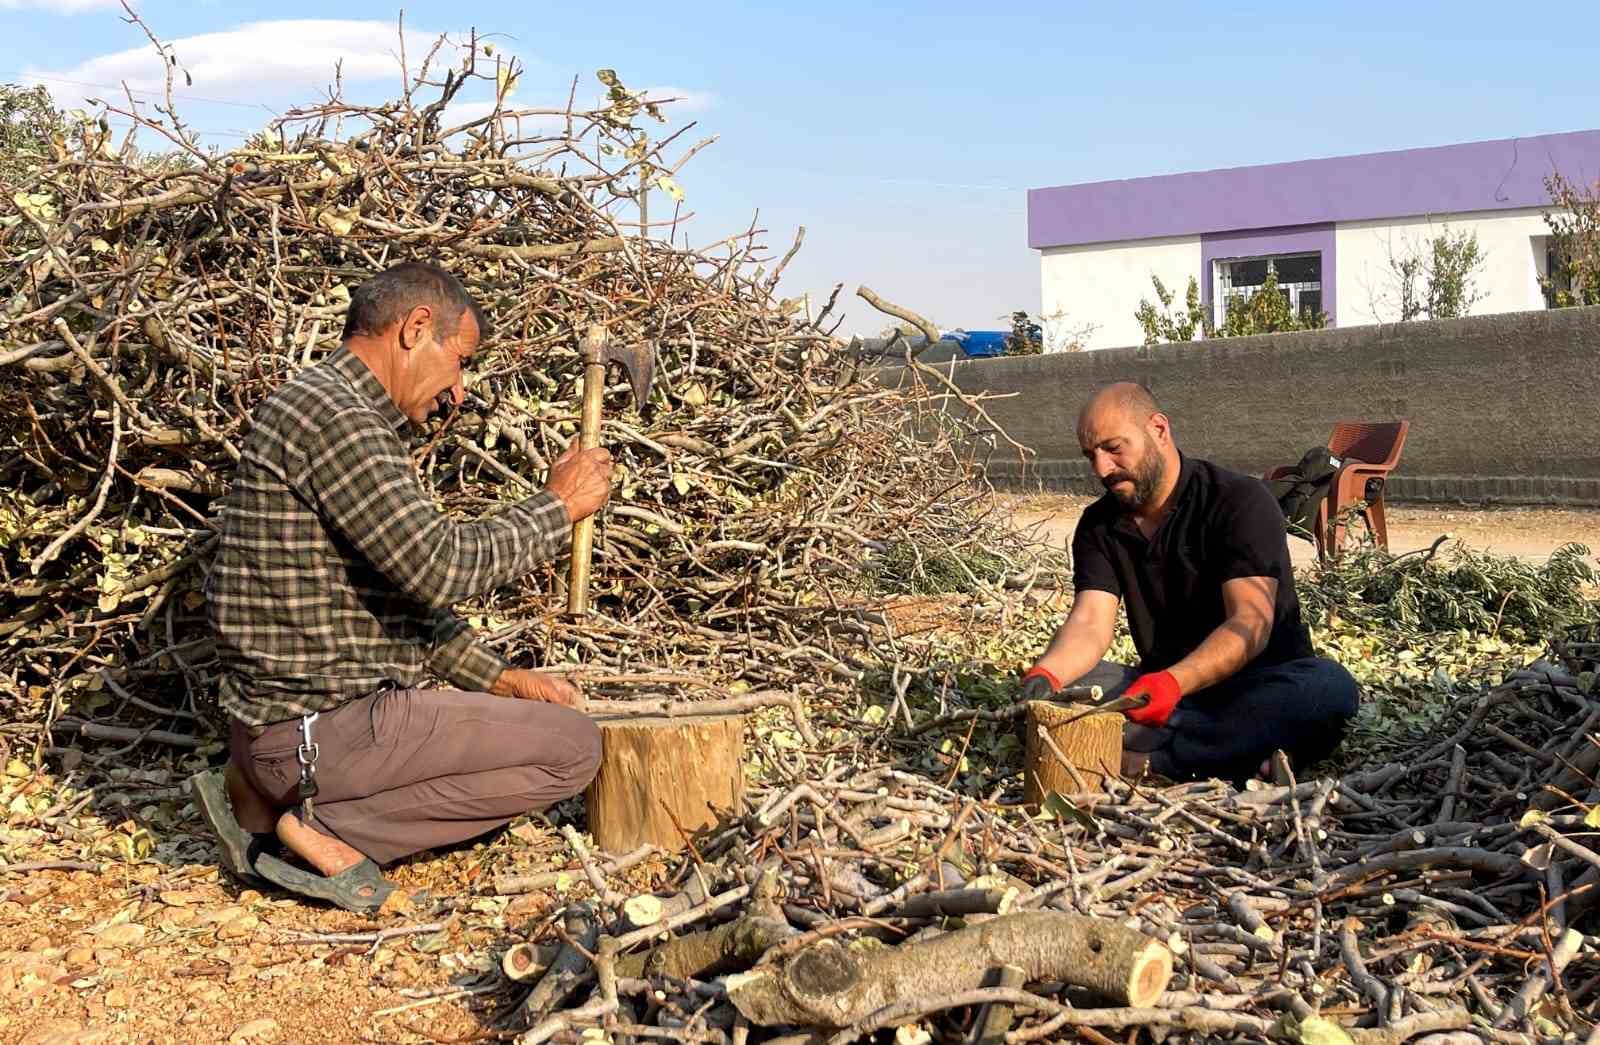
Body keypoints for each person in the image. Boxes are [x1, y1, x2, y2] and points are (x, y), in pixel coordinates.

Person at [190, 261, 609, 913]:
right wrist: (559, 505)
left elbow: (399, 596)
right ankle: (307, 829)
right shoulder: (340, 419)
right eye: (461, 360)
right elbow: (441, 566)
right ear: (417, 328)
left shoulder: (326, 404)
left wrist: (501, 678)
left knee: (542, 725)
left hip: (280, 732)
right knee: (574, 748)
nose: (460, 391)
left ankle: (262, 790)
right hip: (315, 733)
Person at [1020, 382, 1359, 785]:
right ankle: (1233, 753)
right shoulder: (1099, 524)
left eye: (1113, 448)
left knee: (1330, 688)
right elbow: (1090, 622)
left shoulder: (1238, 500)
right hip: (1160, 691)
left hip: (1255, 685)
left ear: (1159, 430)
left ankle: (1150, 758)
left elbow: (1250, 623)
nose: (1102, 469)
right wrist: (1045, 677)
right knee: (1072, 686)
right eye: (1090, 455)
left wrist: (1174, 682)